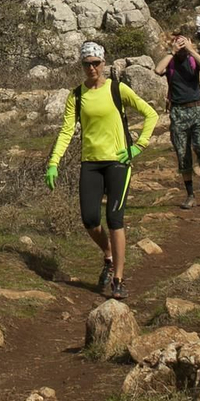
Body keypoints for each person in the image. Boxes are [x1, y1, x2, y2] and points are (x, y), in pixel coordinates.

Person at [44, 42, 159, 299]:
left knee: (115, 219)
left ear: (103, 64)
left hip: (118, 162)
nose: (92, 68)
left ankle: (118, 279)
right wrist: (54, 162)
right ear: (82, 66)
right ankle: (108, 254)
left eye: (96, 63)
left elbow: (151, 114)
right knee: (89, 220)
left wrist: (138, 147)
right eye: (87, 64)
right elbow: (66, 131)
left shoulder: (118, 89)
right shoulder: (76, 95)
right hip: (91, 163)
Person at [155, 34, 200, 209]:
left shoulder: (193, 60)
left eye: (183, 42)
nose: (181, 47)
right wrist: (171, 51)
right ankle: (190, 195)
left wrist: (190, 49)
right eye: (178, 43)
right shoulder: (171, 61)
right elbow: (158, 70)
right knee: (183, 155)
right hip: (178, 112)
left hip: (197, 109)